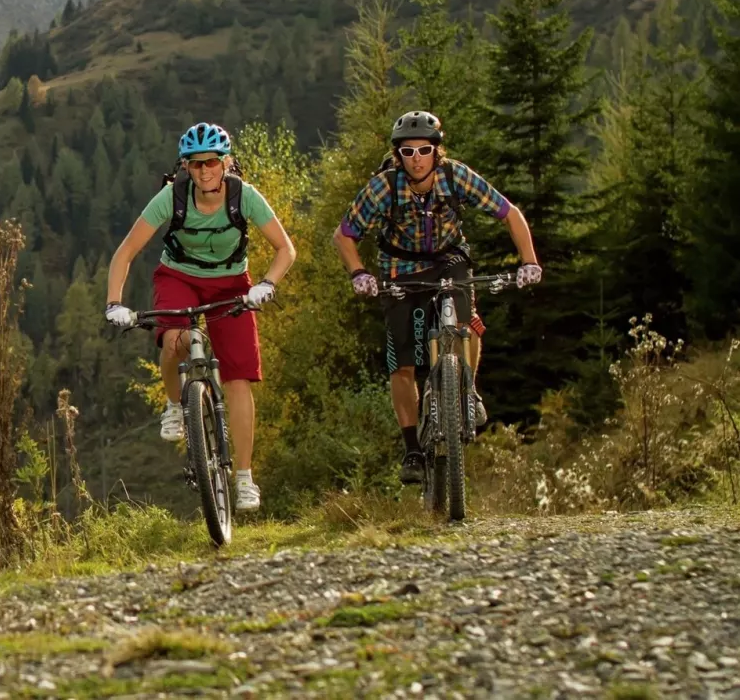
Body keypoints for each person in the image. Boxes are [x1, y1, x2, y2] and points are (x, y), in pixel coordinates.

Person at [331, 110, 542, 485]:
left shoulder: (456, 176)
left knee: (468, 322)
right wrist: (359, 272)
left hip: (449, 259)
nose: (416, 159)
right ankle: (412, 448)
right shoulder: (384, 187)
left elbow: (510, 213)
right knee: (403, 364)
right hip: (400, 267)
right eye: (407, 152)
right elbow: (344, 235)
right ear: (397, 155)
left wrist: (529, 261)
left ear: (437, 151)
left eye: (424, 150)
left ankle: (468, 391)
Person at [104, 121, 297, 512]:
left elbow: (285, 249)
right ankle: (176, 406)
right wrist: (114, 304)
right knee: (174, 337)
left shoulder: (245, 197)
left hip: (232, 285)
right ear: (185, 168)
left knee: (239, 377)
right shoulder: (170, 198)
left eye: (211, 162)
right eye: (194, 165)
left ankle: (244, 478)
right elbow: (125, 253)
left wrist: (267, 284)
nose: (204, 171)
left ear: (226, 163)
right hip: (179, 277)